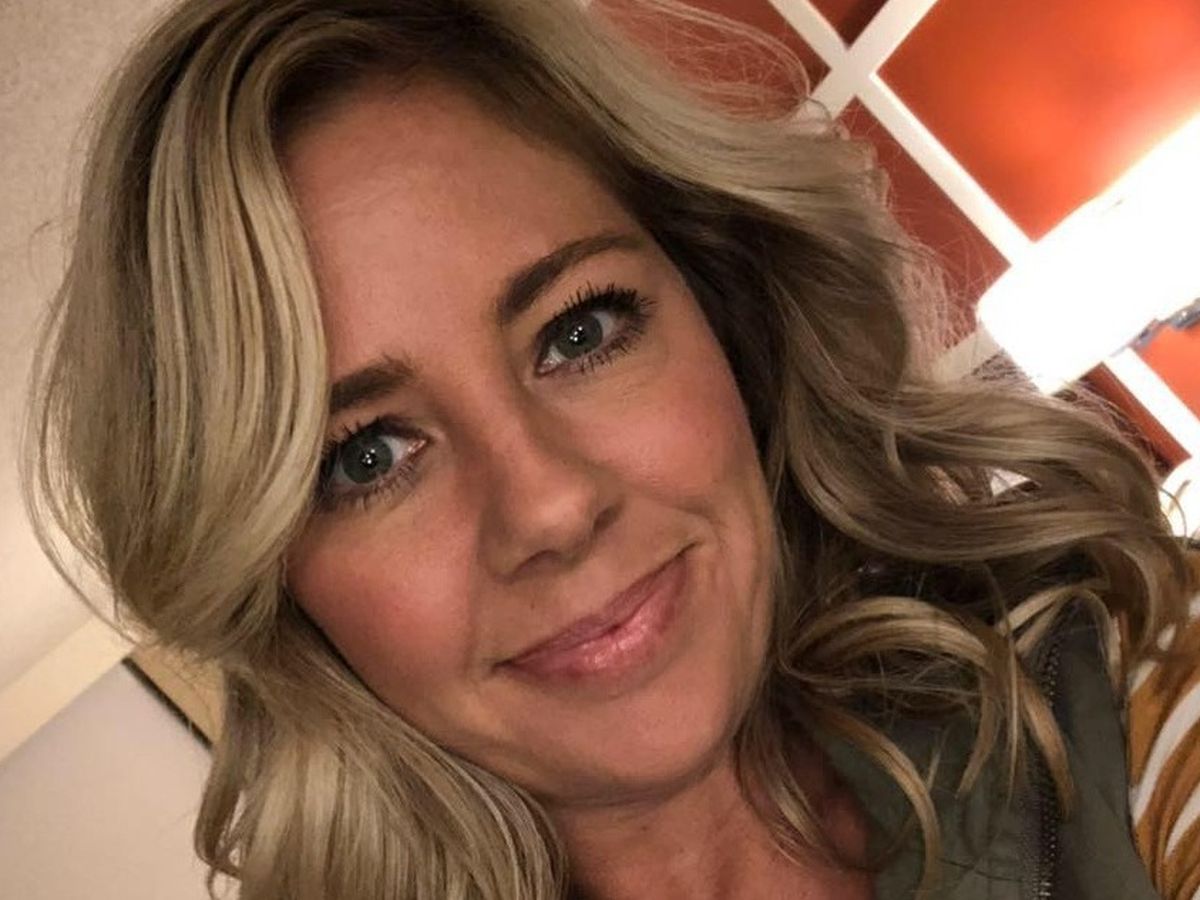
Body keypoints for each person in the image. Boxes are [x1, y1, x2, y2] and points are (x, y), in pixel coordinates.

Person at [24, 0, 1199, 898]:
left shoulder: (1122, 692)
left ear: (721, 307)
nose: (547, 506)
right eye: (367, 455)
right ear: (281, 587)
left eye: (578, 331)